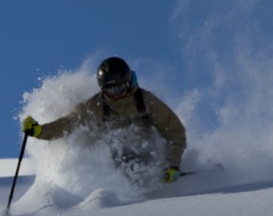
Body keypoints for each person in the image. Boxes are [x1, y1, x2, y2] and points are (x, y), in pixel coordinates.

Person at [22, 57, 187, 184]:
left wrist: (173, 165)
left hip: (147, 160)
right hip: (115, 167)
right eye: (110, 88)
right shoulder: (97, 105)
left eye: (120, 87)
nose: (116, 93)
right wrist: (40, 131)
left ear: (129, 82)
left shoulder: (145, 101)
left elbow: (175, 131)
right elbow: (68, 123)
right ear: (103, 87)